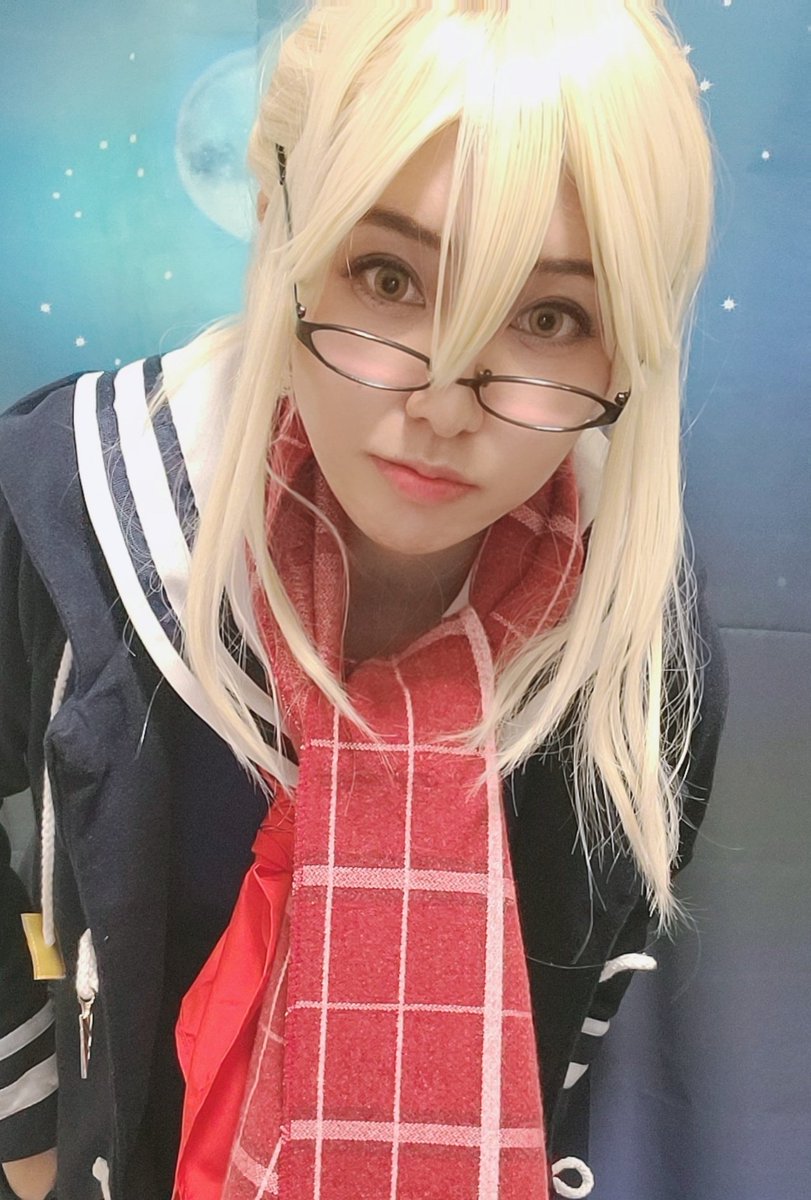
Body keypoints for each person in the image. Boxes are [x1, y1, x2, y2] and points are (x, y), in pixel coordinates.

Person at [0, 1, 728, 1197]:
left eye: (549, 317)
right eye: (388, 276)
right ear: (284, 227)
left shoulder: (638, 643)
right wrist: (29, 1121)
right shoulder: (71, 510)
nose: (442, 404)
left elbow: (584, 986)